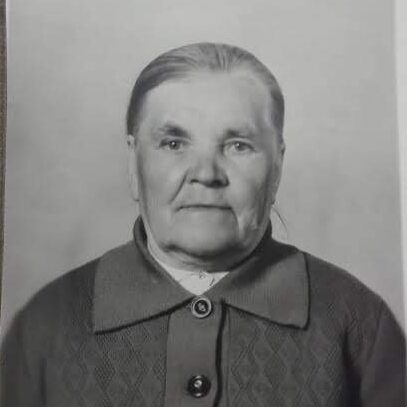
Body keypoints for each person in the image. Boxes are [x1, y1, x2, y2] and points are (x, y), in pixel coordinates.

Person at [1, 42, 405, 407]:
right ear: (133, 163)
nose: (206, 174)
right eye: (174, 143)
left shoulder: (360, 324)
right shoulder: (44, 325)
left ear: (277, 165)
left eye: (238, 145)